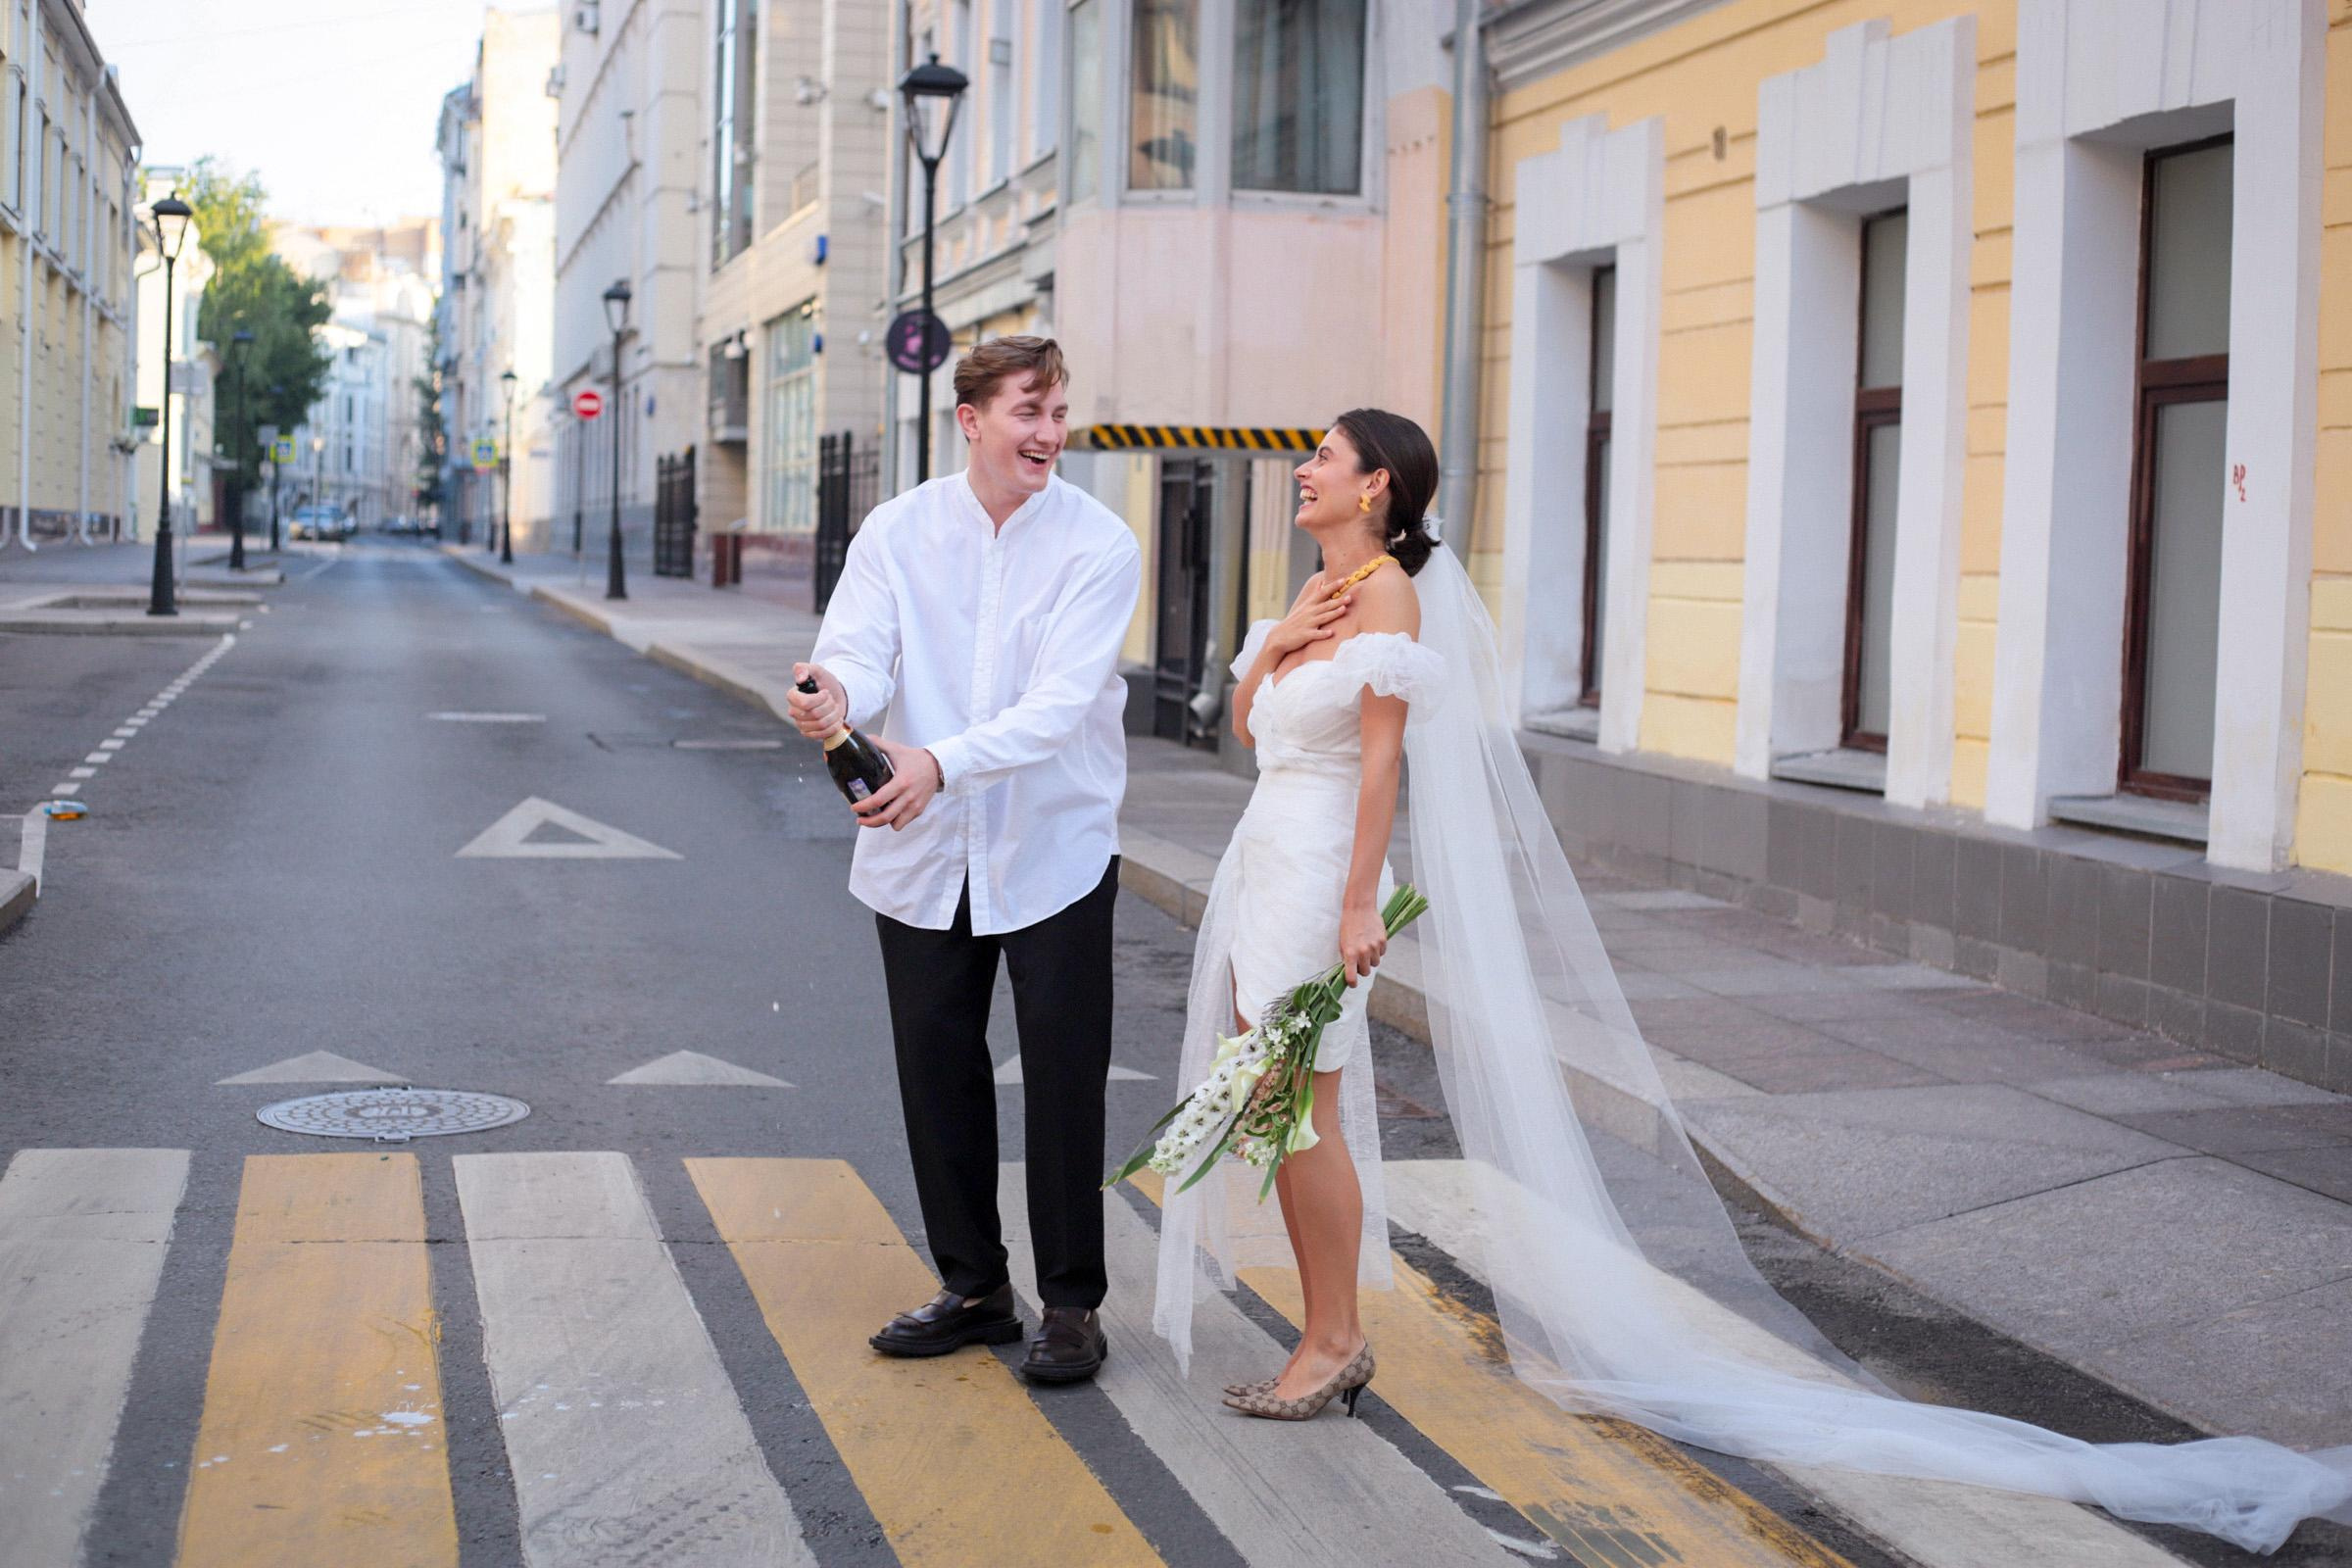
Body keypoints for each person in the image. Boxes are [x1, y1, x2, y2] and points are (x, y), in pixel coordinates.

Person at [1153, 408, 2352, 1549]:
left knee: (1301, 1104)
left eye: (1323, 454)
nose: (1303, 467)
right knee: (1280, 1103)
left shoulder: (1400, 594)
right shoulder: (1329, 594)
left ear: (1377, 486)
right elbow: (1254, 730)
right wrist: (1288, 639)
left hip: (1319, 873)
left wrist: (1364, 900)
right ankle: (1331, 1330)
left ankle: (1335, 1338)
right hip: (1266, 854)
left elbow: (1378, 771)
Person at [792, 336, 1141, 1386]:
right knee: (936, 1065)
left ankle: (1073, 1302)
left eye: (1059, 411)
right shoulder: (898, 531)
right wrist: (835, 696)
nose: (1049, 432)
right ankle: (977, 1284)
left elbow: (1057, 709)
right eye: (1029, 410)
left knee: (1064, 1074)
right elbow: (858, 644)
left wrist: (939, 759)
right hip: (922, 843)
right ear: (971, 418)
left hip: (1054, 845)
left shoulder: (1099, 544)